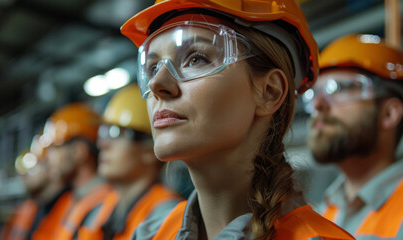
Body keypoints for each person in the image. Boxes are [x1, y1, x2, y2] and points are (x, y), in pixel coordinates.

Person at [120, 0, 355, 239]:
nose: (156, 84)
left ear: (269, 92)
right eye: (152, 68)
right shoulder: (150, 235)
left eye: (196, 59)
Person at [306, 34, 403, 239]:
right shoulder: (322, 212)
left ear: (389, 113)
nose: (318, 105)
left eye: (338, 88)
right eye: (315, 93)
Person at [77, 84, 182, 240]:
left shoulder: (167, 217)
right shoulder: (103, 209)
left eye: (117, 133)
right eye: (104, 132)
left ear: (149, 150)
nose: (103, 144)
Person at [41, 103, 112, 239]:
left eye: (54, 149)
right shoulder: (72, 200)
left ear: (79, 151)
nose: (46, 158)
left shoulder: (106, 204)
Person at [0, 134, 72, 240]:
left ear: (51, 167)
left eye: (34, 164)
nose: (24, 173)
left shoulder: (70, 206)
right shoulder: (30, 209)